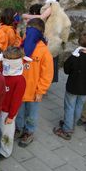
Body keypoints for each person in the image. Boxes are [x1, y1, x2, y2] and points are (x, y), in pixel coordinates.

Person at [54, 31, 86, 140]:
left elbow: (66, 70)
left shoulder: (75, 56)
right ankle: (71, 124)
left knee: (69, 107)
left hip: (72, 86)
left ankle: (67, 130)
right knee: (79, 106)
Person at [15, 18, 53, 147]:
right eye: (27, 31)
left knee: (31, 114)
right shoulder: (21, 46)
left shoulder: (44, 51)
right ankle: (19, 129)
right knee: (18, 112)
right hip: (19, 90)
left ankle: (29, 131)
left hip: (33, 92)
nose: (28, 34)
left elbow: (47, 74)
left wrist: (41, 91)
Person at [0, 46, 26, 158]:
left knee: (7, 133)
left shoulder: (19, 80)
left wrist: (11, 116)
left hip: (7, 112)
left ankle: (5, 151)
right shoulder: (3, 72)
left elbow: (16, 101)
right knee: (0, 130)